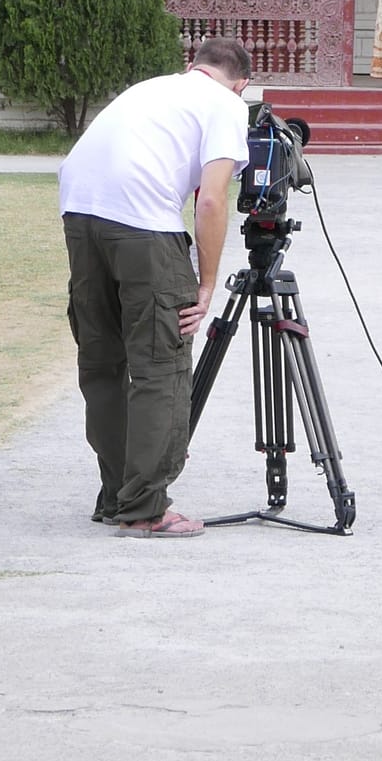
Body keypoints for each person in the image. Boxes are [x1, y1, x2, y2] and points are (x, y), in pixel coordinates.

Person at [57, 38, 252, 537]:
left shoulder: (155, 87)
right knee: (159, 364)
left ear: (193, 66)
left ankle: (117, 492)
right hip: (143, 221)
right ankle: (144, 507)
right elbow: (211, 201)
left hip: (79, 210)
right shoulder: (229, 104)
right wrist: (206, 285)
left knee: (102, 363)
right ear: (242, 84)